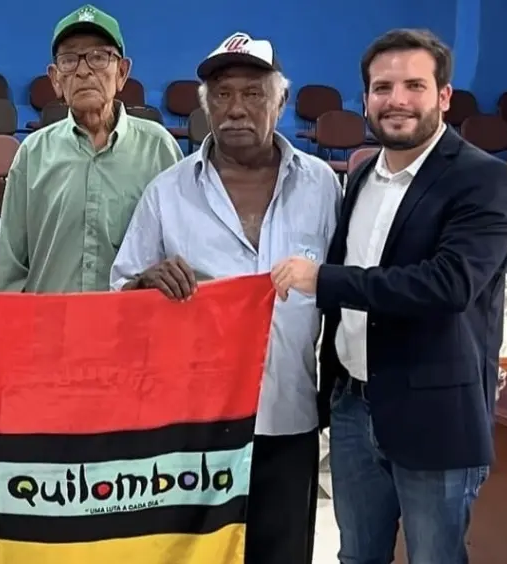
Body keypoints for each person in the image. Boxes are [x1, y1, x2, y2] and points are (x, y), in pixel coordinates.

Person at [270, 28, 507, 564]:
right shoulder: (362, 176)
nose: (397, 100)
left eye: (414, 85)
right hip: (354, 407)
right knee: (357, 556)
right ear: (365, 99)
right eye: (382, 88)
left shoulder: (483, 179)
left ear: (444, 96)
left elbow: (448, 285)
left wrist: (325, 279)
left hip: (435, 416)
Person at [111, 32, 340, 564]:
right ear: (206, 106)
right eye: (222, 94)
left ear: (281, 101)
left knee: (282, 554)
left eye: (253, 93)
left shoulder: (322, 187)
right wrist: (146, 283)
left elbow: (346, 292)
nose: (236, 108)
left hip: (289, 417)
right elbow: (119, 296)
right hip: (193, 428)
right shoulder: (167, 193)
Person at [0, 4, 183, 293]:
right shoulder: (32, 154)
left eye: (98, 57)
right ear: (55, 78)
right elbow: (10, 270)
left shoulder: (159, 149)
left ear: (122, 72)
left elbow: (180, 253)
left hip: (130, 322)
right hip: (50, 322)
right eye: (69, 60)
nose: (83, 71)